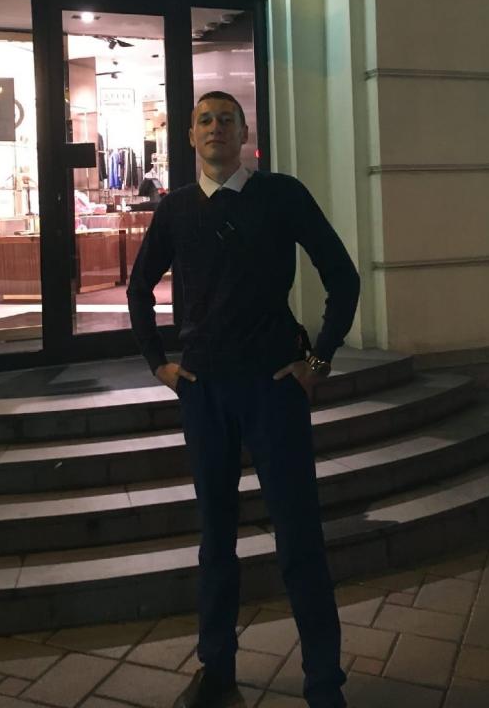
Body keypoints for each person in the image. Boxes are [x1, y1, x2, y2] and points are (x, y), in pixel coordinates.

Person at [127, 92, 360, 708]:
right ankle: (218, 670)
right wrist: (159, 364)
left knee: (300, 539)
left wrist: (318, 361)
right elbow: (139, 287)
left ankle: (324, 684)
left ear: (244, 132)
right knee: (216, 539)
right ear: (190, 136)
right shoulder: (176, 209)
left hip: (274, 390)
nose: (216, 128)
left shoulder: (281, 195)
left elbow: (343, 276)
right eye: (204, 120)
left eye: (226, 119)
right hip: (204, 393)